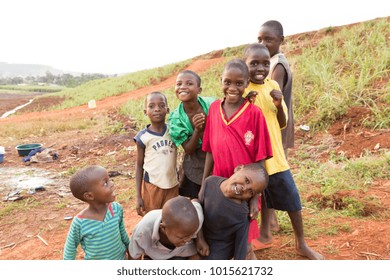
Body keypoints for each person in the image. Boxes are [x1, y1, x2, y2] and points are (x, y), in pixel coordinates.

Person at [243, 43, 324, 260]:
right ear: (245, 65)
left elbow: (282, 123)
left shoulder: (272, 89)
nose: (260, 67)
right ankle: (251, 244)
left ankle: (301, 243)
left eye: (264, 63)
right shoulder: (242, 91)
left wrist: (278, 105)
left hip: (275, 160)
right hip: (251, 164)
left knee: (293, 201)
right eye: (254, 63)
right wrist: (246, 104)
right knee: (253, 205)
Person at [201, 58, 273, 259]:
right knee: (220, 233)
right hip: (220, 185)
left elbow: (260, 161)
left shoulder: (254, 114)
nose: (232, 88)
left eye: (239, 83)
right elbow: (209, 150)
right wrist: (204, 184)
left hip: (245, 189)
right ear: (220, 80)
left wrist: (254, 197)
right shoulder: (214, 109)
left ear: (247, 83)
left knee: (245, 241)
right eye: (227, 82)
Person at [257, 20, 294, 232]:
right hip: (274, 127)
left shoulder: (277, 65)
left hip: (275, 128)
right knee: (268, 175)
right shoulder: (268, 61)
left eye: (269, 39)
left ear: (281, 40)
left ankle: (271, 223)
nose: (263, 43)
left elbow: (272, 97)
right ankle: (272, 221)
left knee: (271, 175)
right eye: (260, 39)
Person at [197, 163, 269, 260]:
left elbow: (241, 250)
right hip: (199, 236)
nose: (244, 188)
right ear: (238, 169)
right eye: (246, 180)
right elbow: (198, 212)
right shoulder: (210, 182)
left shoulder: (242, 213)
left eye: (250, 192)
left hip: (219, 249)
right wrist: (199, 239)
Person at [63, 165, 130, 260]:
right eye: (106, 183)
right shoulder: (80, 222)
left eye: (109, 179)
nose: (112, 184)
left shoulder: (116, 209)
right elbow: (70, 249)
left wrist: (131, 250)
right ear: (89, 196)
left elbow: (123, 234)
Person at [169, 70, 215, 199]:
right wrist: (197, 130)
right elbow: (188, 149)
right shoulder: (176, 118)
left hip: (216, 154)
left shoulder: (212, 105)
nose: (182, 87)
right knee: (194, 197)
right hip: (194, 161)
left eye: (189, 83)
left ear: (199, 90)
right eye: (179, 84)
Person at [134, 91, 179, 216]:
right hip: (152, 187)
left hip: (172, 185)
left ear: (167, 109)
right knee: (153, 219)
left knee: (172, 218)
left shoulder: (173, 131)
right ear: (145, 112)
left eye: (161, 105)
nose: (157, 109)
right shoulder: (143, 137)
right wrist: (138, 196)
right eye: (151, 106)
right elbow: (139, 166)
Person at [128, 196, 204, 260]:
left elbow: (195, 201)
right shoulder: (143, 231)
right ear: (163, 228)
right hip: (155, 258)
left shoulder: (194, 219)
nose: (188, 240)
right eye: (182, 237)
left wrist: (200, 239)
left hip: (183, 255)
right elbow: (133, 256)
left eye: (191, 234)